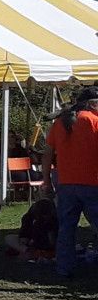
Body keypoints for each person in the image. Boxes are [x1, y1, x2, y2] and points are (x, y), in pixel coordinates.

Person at [44, 87, 98, 278]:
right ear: (93, 103)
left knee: (66, 228)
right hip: (92, 182)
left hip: (65, 183)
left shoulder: (60, 122)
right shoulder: (93, 120)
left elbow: (48, 153)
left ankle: (64, 268)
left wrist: (45, 180)